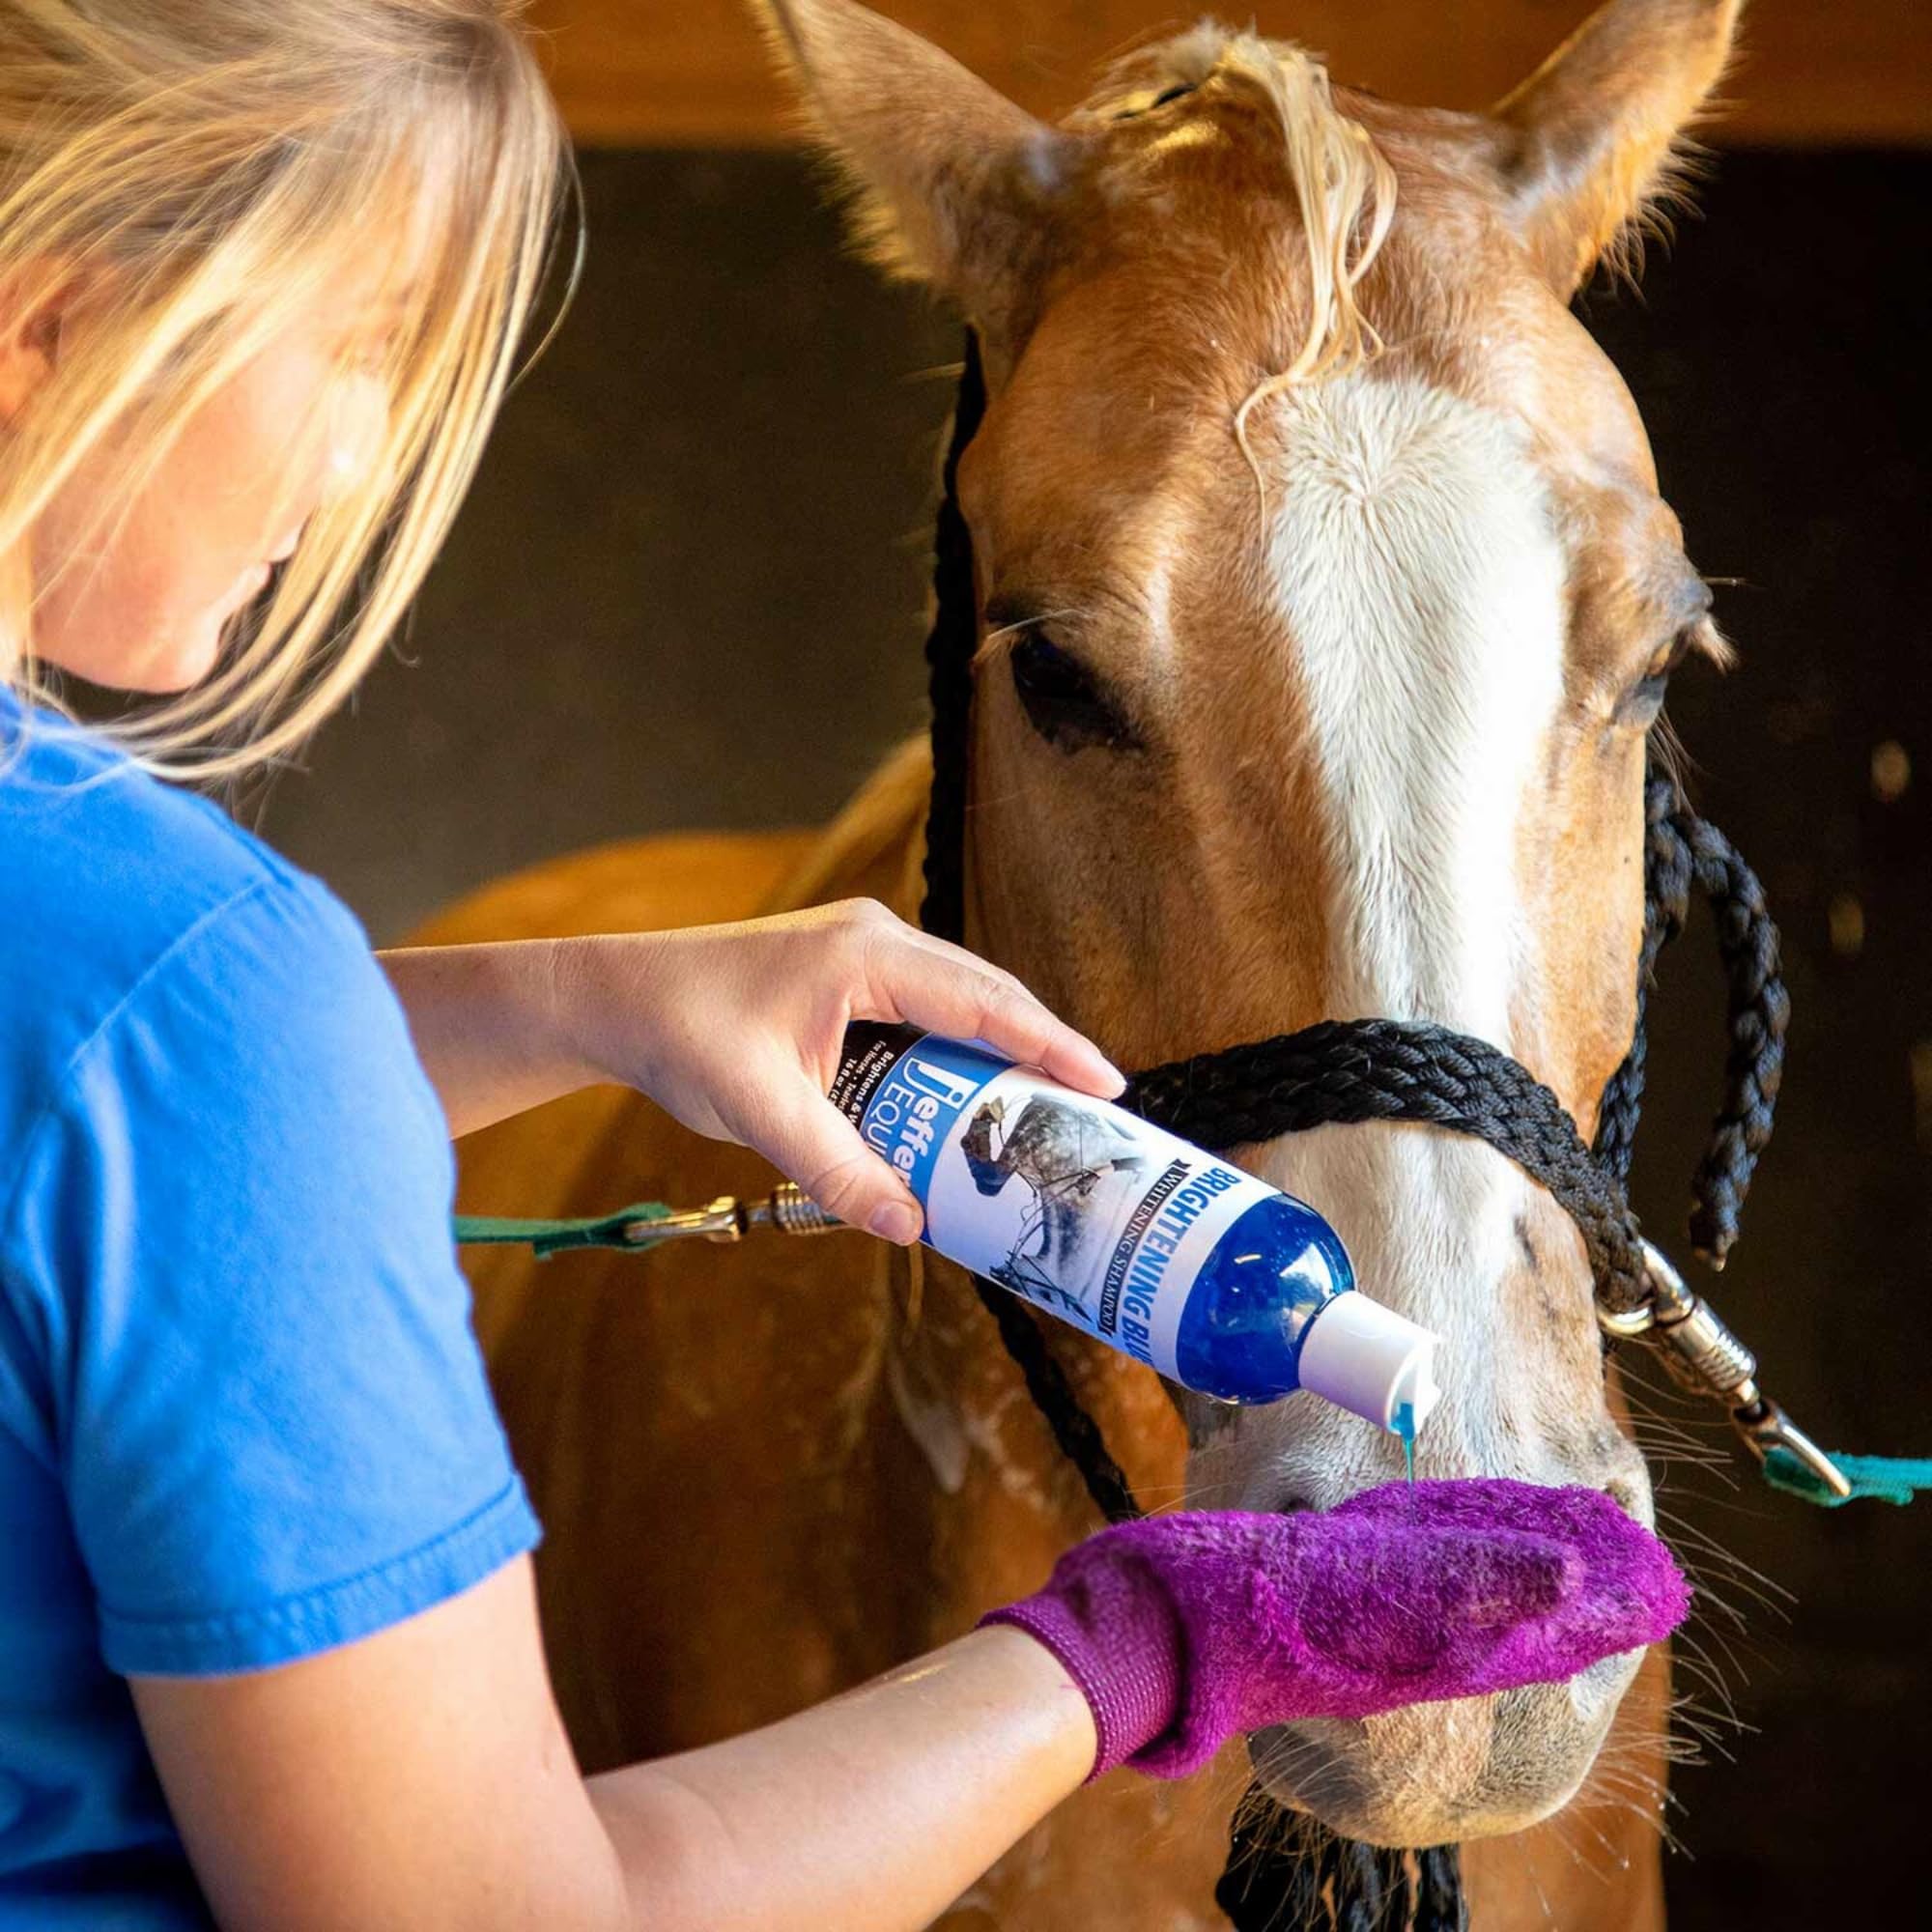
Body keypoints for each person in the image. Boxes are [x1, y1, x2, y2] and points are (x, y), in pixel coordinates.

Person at [0, 7, 1684, 1928]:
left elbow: (71, 1110)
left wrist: (546, 1004)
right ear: (48, 328)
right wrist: (1142, 1641)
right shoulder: (206, 1001)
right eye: (365, 346)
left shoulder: (148, 987)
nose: (374, 448)